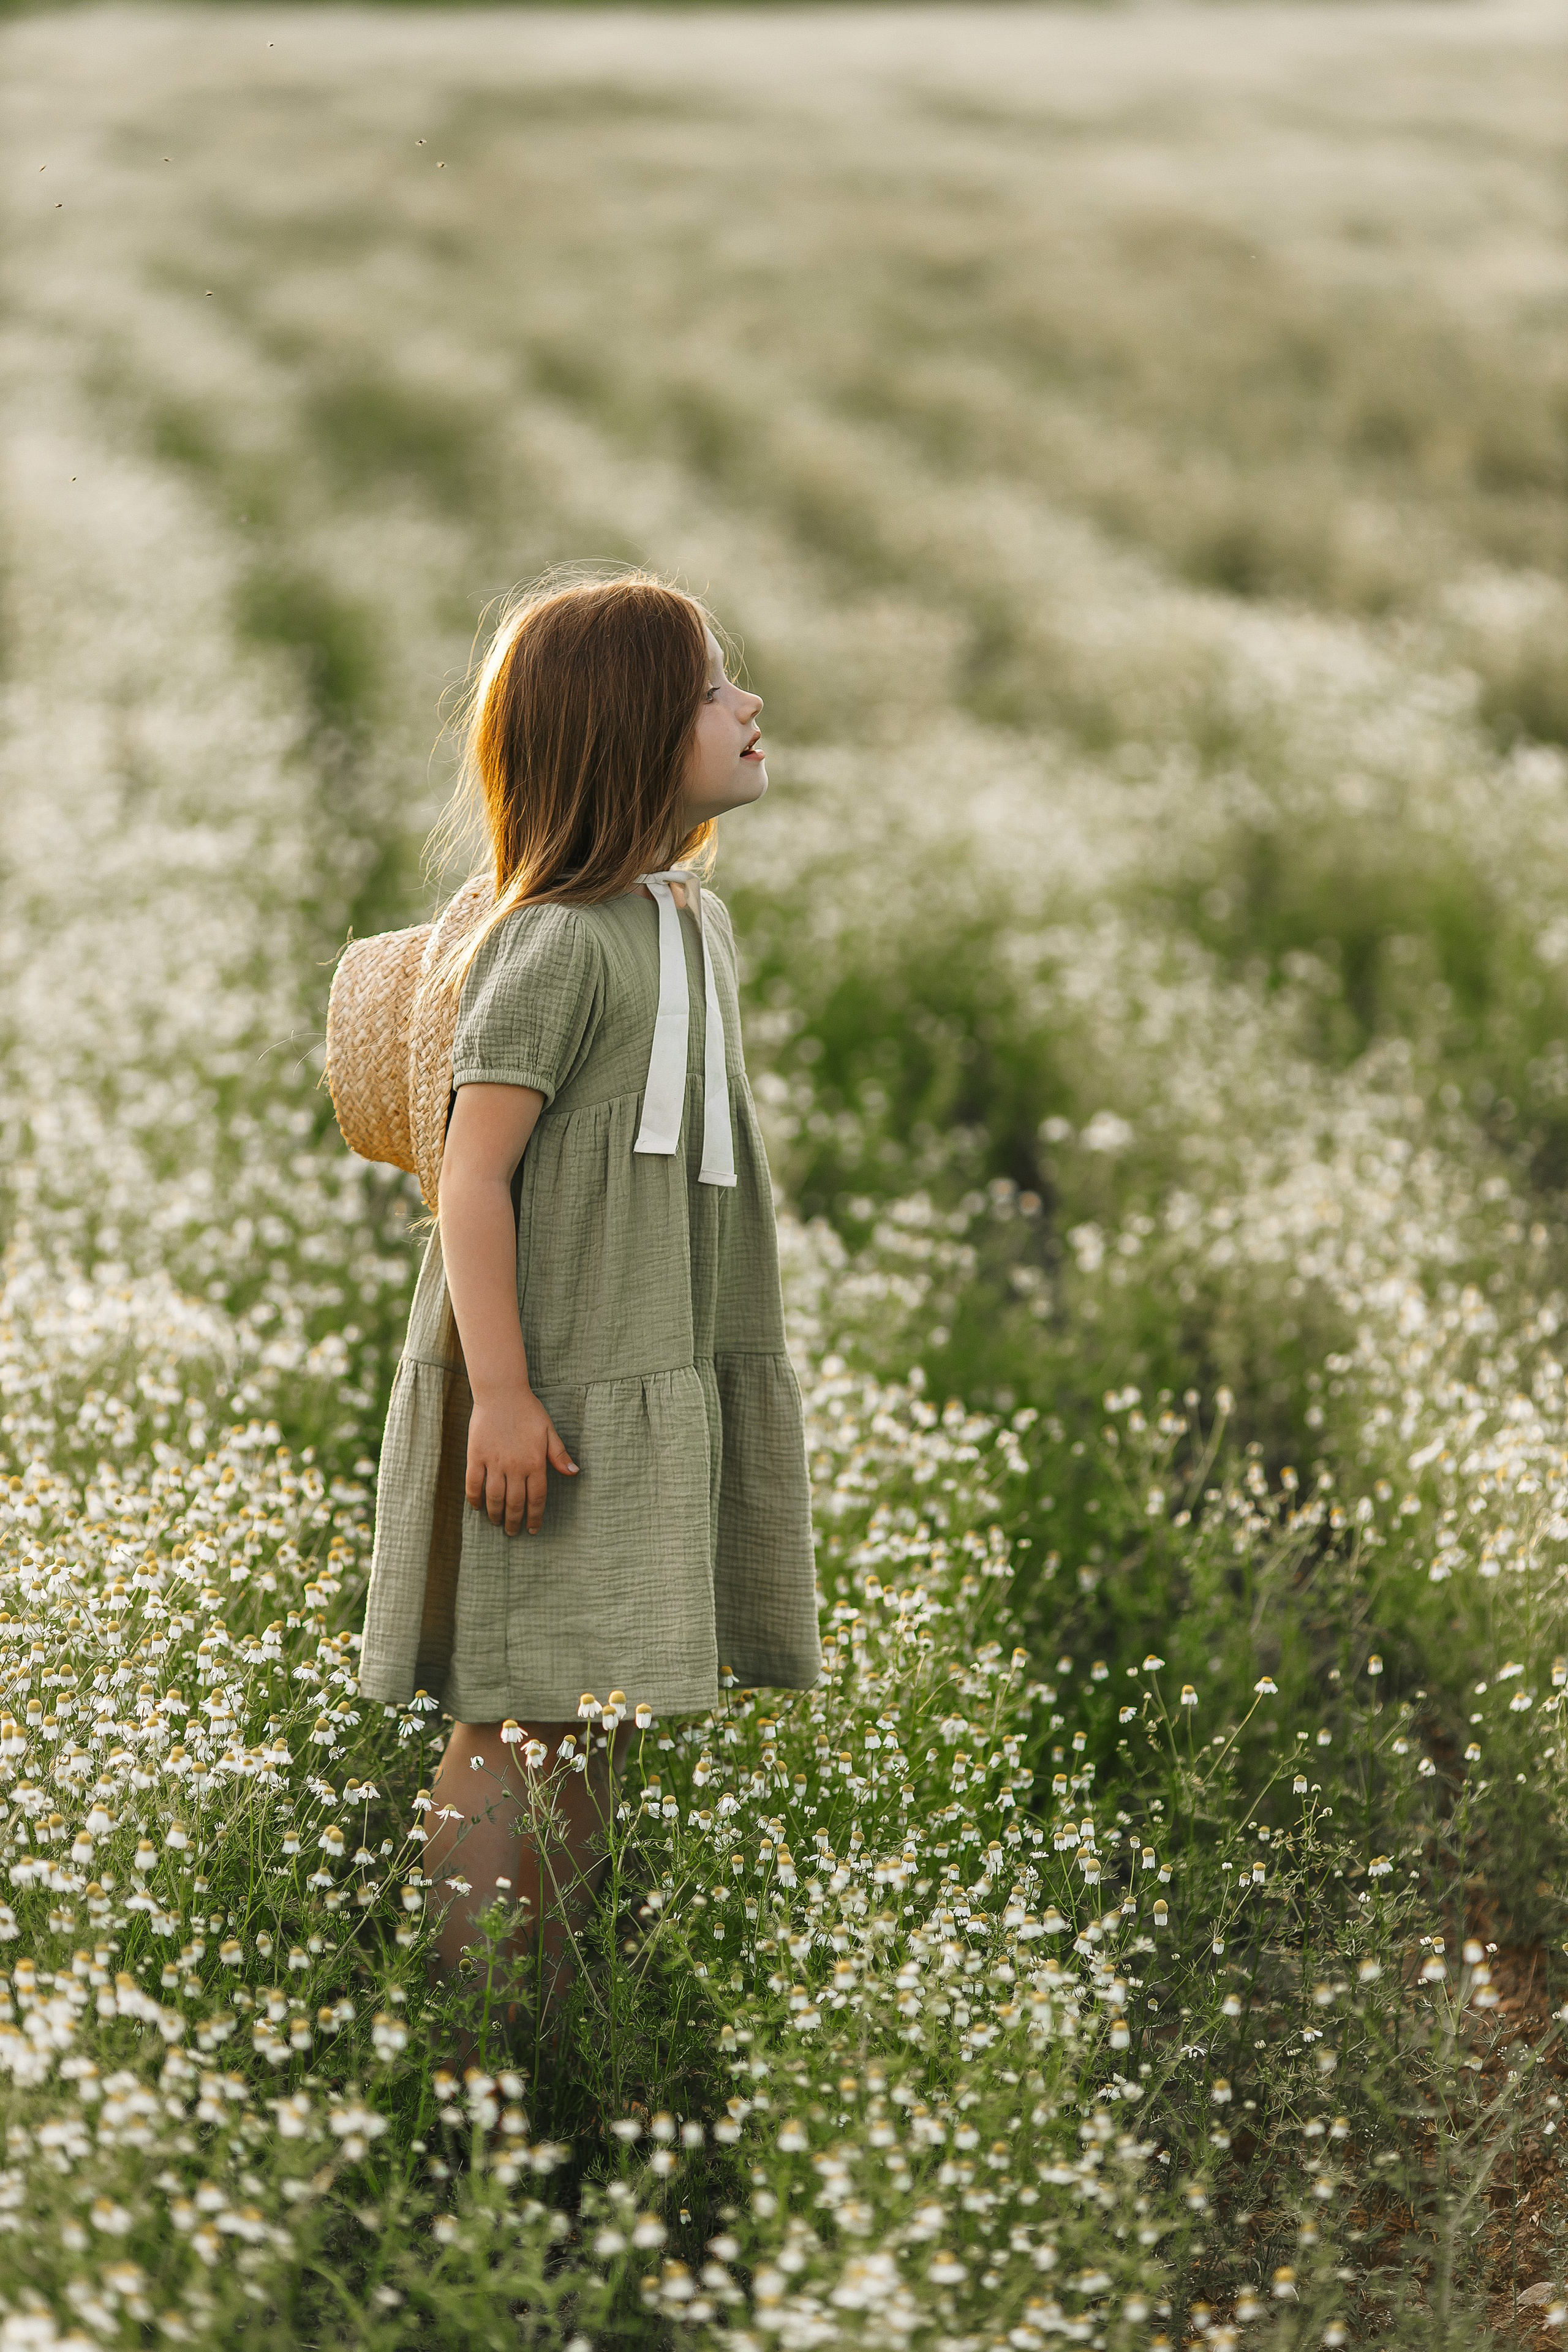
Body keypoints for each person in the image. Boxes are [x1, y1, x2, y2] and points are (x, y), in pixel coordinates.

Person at [355, 570, 823, 2052]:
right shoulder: (556, 944)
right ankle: (467, 2039)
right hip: (553, 1383)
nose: (747, 705)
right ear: (627, 733)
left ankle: (542, 2024)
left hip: (651, 1351)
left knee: (594, 1693)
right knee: (516, 1708)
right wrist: (500, 1393)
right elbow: (471, 1178)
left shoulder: (686, 924)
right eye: (710, 689)